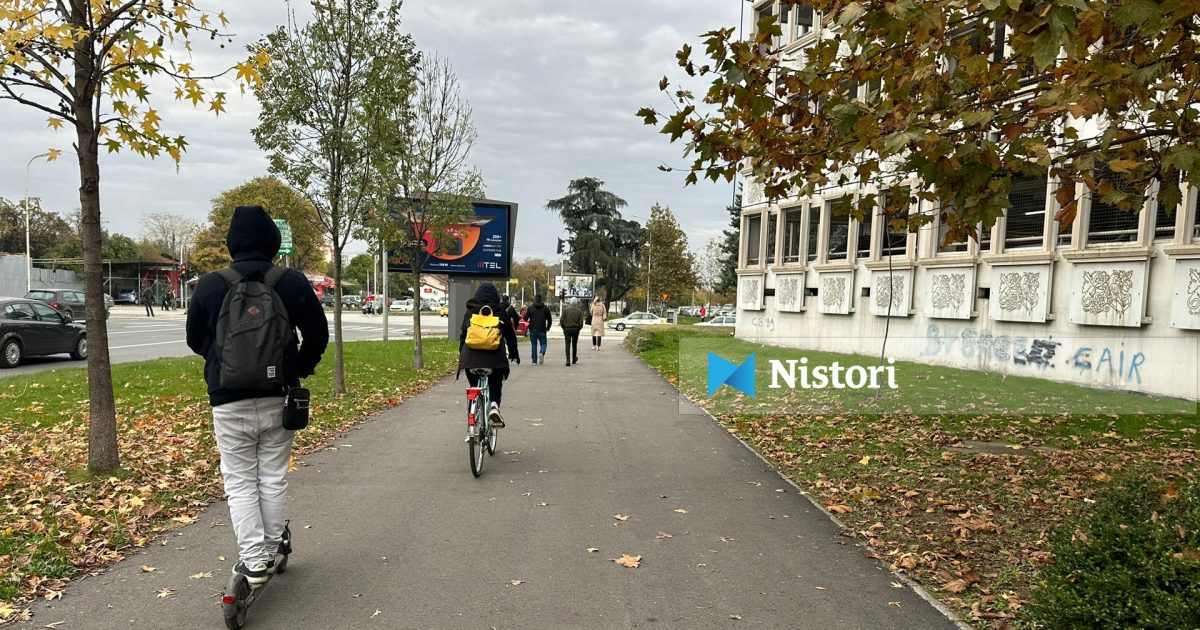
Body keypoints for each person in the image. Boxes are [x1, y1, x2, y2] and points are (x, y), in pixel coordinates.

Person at [185, 205, 329, 587]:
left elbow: (195, 338)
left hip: (227, 398)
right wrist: (296, 366)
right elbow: (318, 334)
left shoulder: (210, 284)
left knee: (239, 481)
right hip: (277, 397)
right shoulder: (292, 281)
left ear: (231, 243)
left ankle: (253, 560)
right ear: (272, 241)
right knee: (271, 476)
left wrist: (223, 363)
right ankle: (269, 545)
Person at [458, 282, 520, 426]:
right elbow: (511, 336)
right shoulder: (500, 312)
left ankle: (471, 423)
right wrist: (514, 354)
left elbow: (463, 335)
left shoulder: (470, 312)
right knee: (495, 384)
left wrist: (462, 355)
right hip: (494, 360)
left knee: (474, 389)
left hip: (471, 359)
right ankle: (494, 407)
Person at [523, 294, 552, 365]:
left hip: (533, 329)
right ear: (541, 299)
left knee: (534, 344)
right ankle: (541, 352)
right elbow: (549, 319)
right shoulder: (545, 308)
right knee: (543, 343)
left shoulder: (530, 308)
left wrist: (525, 315)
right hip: (542, 329)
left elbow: (525, 318)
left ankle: (534, 361)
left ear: (535, 299)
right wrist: (548, 327)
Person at [560, 298, 584, 366]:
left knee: (567, 344)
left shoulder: (565, 310)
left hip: (567, 329)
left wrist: (564, 328)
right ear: (576, 303)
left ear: (570, 303)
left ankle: (568, 360)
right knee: (574, 344)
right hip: (575, 329)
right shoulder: (579, 311)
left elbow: (561, 320)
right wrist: (578, 329)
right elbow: (581, 323)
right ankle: (574, 359)